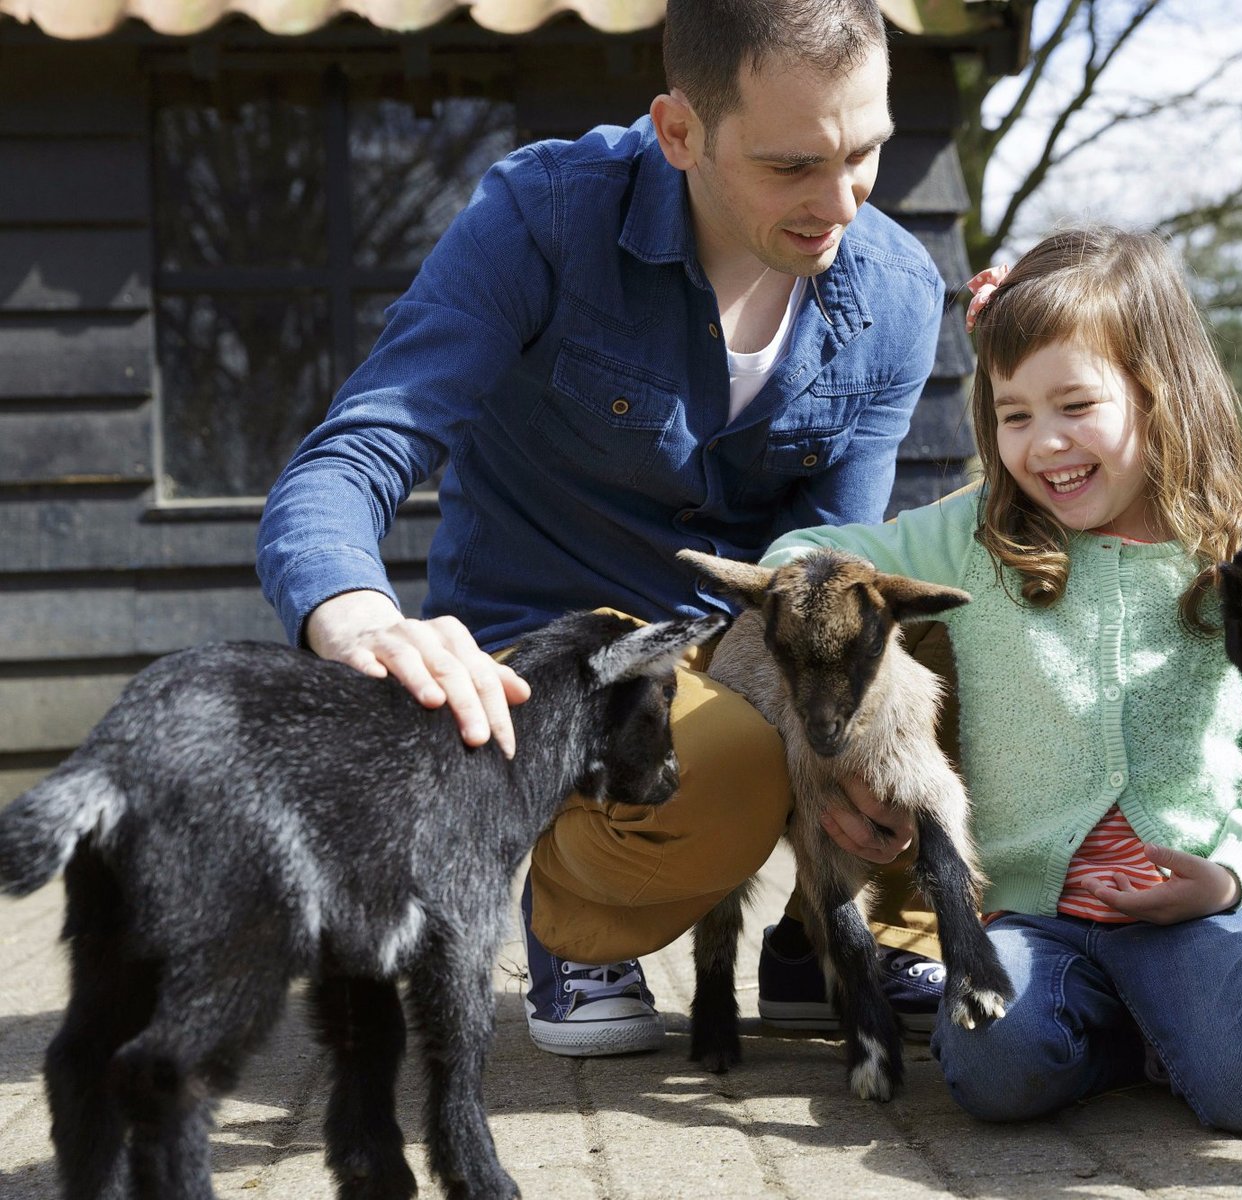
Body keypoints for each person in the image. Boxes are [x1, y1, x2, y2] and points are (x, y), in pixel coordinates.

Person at [256, 0, 952, 1059]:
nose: (841, 202)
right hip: (562, 662)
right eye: (791, 166)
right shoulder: (543, 218)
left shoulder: (896, 290)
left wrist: (846, 731)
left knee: (937, 646)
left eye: (865, 153)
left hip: (739, 642)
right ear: (680, 133)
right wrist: (354, 617)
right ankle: (578, 925)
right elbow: (360, 446)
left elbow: (826, 546)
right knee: (724, 770)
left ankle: (827, 932)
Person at [759, 226, 1242, 1129]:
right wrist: (807, 607)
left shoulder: (1240, 568)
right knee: (993, 1070)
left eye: (1076, 404)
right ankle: (1147, 1039)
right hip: (1033, 917)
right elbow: (803, 554)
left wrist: (1229, 876)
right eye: (1014, 414)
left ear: (1158, 394)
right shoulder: (970, 537)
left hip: (1193, 916)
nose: (1044, 443)